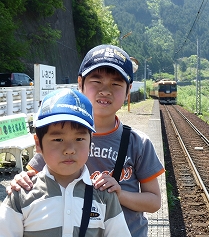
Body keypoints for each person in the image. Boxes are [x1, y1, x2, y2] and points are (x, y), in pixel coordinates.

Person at [7, 45, 165, 237]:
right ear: (80, 83)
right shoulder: (58, 139)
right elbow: (32, 178)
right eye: (96, 81)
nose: (105, 91)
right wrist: (20, 179)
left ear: (128, 90)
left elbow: (154, 201)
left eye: (116, 84)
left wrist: (118, 194)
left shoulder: (138, 142)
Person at [0, 88, 131, 236]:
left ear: (90, 142)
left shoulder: (104, 196)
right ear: (38, 144)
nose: (69, 150)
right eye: (58, 139)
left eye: (79, 139)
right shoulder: (22, 195)